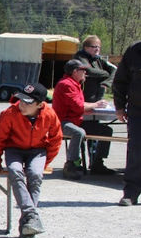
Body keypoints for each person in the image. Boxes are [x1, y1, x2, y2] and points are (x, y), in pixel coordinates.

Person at [0, 83, 62, 238]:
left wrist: (45, 161)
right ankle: (31, 216)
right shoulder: (9, 113)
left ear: (40, 105)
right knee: (15, 171)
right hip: (13, 149)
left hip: (38, 150)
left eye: (27, 102)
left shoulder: (49, 114)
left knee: (35, 174)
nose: (21, 104)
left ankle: (28, 224)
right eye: (21, 100)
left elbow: (56, 139)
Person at [52, 59, 112, 178]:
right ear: (75, 71)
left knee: (106, 130)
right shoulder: (66, 84)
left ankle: (97, 164)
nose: (85, 72)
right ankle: (71, 165)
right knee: (78, 132)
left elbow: (79, 105)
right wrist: (96, 105)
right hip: (62, 123)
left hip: (76, 121)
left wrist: (89, 107)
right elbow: (78, 106)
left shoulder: (75, 84)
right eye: (83, 70)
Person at [74, 35, 115, 169]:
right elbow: (88, 70)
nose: (97, 49)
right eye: (94, 47)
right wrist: (104, 74)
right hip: (84, 104)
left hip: (97, 103)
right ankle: (88, 162)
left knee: (98, 132)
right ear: (86, 47)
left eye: (98, 47)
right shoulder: (80, 57)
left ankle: (97, 162)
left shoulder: (99, 60)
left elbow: (114, 70)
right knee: (92, 133)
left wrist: (106, 82)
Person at [112, 41, 141, 206]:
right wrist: (120, 106)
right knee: (136, 151)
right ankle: (131, 192)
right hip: (138, 112)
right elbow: (121, 81)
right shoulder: (134, 51)